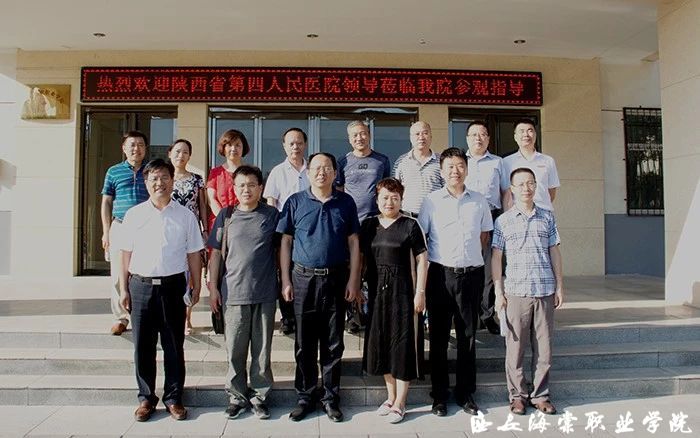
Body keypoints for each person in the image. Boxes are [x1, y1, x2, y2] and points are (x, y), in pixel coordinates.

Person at [277, 152, 361, 423]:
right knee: (304, 342)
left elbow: (354, 243)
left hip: (336, 279)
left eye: (327, 168)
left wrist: (354, 280)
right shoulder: (295, 201)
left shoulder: (345, 202)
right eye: (316, 168)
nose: (321, 172)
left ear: (335, 173)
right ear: (308, 172)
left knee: (333, 343)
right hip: (303, 279)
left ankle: (330, 398)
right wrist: (286, 279)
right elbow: (286, 242)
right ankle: (305, 397)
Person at [118, 158, 204, 422]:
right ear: (146, 183)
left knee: (173, 346)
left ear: (172, 181)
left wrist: (197, 284)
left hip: (173, 287)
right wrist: (123, 288)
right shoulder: (134, 215)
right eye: (154, 178)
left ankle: (173, 398)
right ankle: (146, 398)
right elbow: (125, 254)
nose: (160, 183)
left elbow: (194, 253)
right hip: (140, 286)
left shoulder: (185, 215)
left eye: (165, 177)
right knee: (143, 346)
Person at [418, 147, 493, 417]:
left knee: (467, 336)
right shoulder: (431, 201)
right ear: (441, 171)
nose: (455, 171)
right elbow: (423, 238)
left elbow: (484, 236)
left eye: (460, 165)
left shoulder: (479, 200)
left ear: (467, 169)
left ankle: (465, 392)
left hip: (471, 275)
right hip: (440, 275)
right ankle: (439, 395)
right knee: (438, 337)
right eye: (450, 166)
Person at [208, 165, 280, 420]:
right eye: (241, 185)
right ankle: (236, 397)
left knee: (261, 352)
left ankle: (260, 397)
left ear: (260, 188)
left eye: (251, 184)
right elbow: (216, 254)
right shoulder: (226, 215)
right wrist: (213, 287)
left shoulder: (272, 215)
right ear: (234, 188)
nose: (246, 189)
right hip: (233, 293)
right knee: (235, 350)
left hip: (264, 292)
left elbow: (282, 250)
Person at [492, 167, 564, 416]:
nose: (526, 188)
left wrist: (560, 285)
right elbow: (496, 257)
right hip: (516, 291)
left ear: (536, 186)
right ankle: (518, 396)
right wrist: (498, 291)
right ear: (512, 189)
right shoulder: (503, 221)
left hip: (544, 289)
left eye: (531, 183)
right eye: (521, 184)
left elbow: (554, 251)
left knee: (544, 348)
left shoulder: (547, 217)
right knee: (515, 348)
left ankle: (541, 395)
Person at [360, 177, 428, 424]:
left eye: (395, 198)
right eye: (385, 198)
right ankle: (390, 397)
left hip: (403, 294)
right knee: (381, 344)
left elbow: (422, 259)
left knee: (402, 345)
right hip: (377, 293)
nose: (390, 202)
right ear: (377, 199)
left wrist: (420, 292)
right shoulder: (369, 225)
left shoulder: (410, 225)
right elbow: (361, 258)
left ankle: (401, 401)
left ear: (401, 199)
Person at [335, 120, 391, 333]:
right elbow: (339, 191)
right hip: (351, 223)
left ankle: (374, 313)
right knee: (352, 269)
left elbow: (386, 190)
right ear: (349, 139)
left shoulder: (381, 160)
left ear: (369, 135)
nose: (360, 138)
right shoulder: (343, 161)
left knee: (373, 268)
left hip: (374, 222)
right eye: (355, 135)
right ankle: (353, 316)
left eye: (363, 133)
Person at [101, 131, 149, 336]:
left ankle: (141, 314)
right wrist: (106, 232)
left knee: (144, 272)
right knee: (118, 274)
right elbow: (106, 202)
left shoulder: (151, 171)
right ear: (124, 148)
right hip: (120, 226)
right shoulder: (114, 171)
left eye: (140, 144)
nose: (136, 148)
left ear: (145, 148)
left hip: (146, 228)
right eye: (132, 144)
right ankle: (120, 317)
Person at [264, 127, 310, 335]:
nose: (295, 147)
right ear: (284, 146)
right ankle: (287, 317)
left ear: (305, 144)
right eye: (291, 143)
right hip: (285, 230)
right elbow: (271, 202)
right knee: (285, 272)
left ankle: (304, 314)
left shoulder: (312, 169)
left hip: (309, 230)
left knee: (305, 271)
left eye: (299, 142)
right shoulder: (277, 171)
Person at [465, 121, 506, 335]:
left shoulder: (498, 162)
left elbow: (506, 192)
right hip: (467, 220)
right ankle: (469, 314)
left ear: (488, 139)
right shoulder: (460, 162)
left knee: (490, 269)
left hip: (493, 217)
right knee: (468, 267)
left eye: (482, 134)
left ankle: (487, 315)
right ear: (467, 139)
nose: (478, 138)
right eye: (474, 134)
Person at [168, 138, 208, 335]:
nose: (181, 155)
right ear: (170, 154)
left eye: (185, 152)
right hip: (170, 233)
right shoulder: (165, 178)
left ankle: (187, 318)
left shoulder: (197, 179)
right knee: (173, 274)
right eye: (177, 151)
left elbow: (202, 206)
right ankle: (172, 316)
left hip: (192, 233)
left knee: (191, 276)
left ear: (189, 156)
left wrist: (205, 230)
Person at [501, 119, 560, 211]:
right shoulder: (506, 162)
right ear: (515, 137)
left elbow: (551, 191)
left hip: (543, 211)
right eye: (522, 131)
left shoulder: (548, 161)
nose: (526, 134)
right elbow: (506, 192)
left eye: (530, 130)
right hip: (517, 212)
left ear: (535, 135)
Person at [393, 121, 444, 216]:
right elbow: (394, 190)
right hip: (407, 216)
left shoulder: (441, 161)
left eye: (425, 133)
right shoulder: (401, 161)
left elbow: (447, 189)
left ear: (431, 136)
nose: (421, 137)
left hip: (434, 216)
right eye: (417, 134)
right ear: (411, 138)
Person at [207, 129, 250, 231]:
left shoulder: (250, 173)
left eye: (237, 145)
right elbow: (211, 199)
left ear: (243, 148)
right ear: (223, 147)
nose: (233, 148)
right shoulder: (215, 173)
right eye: (229, 145)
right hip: (219, 224)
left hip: (244, 223)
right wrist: (225, 219)